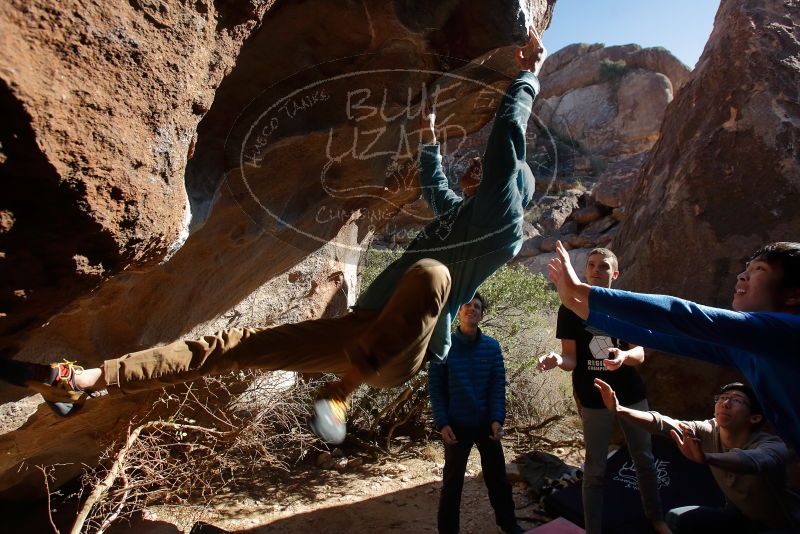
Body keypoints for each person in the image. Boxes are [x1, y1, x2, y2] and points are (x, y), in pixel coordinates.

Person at [0, 33, 548, 444]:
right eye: (473, 171)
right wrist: (429, 138)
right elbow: (438, 186)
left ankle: (341, 391)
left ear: (510, 192)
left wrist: (528, 78)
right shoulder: (465, 213)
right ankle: (86, 380)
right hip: (361, 331)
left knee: (432, 275)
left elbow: (506, 142)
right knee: (234, 346)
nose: (476, 171)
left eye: (485, 173)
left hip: (405, 352)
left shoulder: (503, 226)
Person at [546, 240, 800, 451]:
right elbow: (663, 337)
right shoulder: (749, 347)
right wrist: (578, 307)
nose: (742, 275)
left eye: (759, 270)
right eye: (747, 268)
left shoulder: (788, 331)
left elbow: (685, 316)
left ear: (793, 295)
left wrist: (582, 290)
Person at [537, 248, 668, 534]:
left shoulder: (625, 305)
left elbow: (640, 354)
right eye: (592, 265)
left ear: (615, 274)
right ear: (585, 272)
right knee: (595, 468)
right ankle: (593, 529)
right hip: (593, 394)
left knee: (643, 459)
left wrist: (622, 358)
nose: (597, 270)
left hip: (630, 394)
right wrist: (557, 360)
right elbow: (570, 358)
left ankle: (657, 520)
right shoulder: (569, 308)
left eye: (604, 267)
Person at [594, 378, 800, 533]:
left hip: (780, 526)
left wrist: (708, 458)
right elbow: (663, 424)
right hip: (737, 516)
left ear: (754, 418)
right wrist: (620, 409)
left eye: (736, 401)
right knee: (676, 519)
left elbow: (753, 462)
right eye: (722, 398)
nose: (725, 403)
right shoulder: (709, 429)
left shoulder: (772, 445)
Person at [429, 294, 523, 534]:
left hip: (485, 424)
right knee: (452, 483)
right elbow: (437, 389)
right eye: (467, 305)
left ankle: (509, 525)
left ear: (482, 314)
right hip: (457, 424)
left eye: (477, 306)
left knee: (498, 480)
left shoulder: (492, 347)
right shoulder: (443, 344)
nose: (472, 309)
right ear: (458, 312)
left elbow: (496, 386)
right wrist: (442, 423)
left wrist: (497, 420)